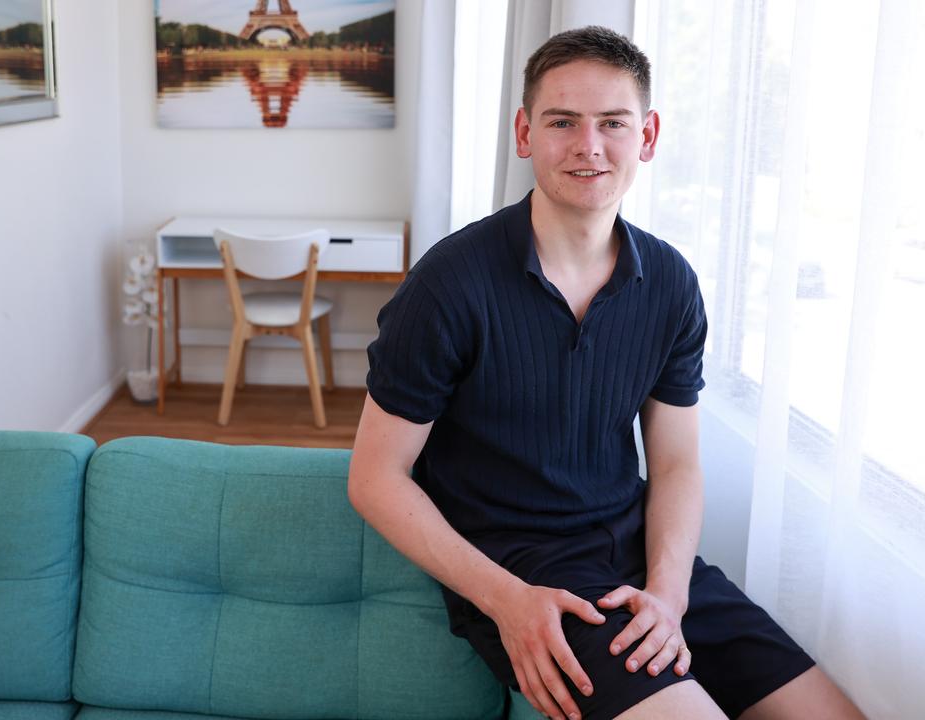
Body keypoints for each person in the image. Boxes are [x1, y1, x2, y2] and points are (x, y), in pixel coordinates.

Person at [348, 25, 866, 720]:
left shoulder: (672, 283)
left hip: (641, 558)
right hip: (527, 575)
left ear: (646, 136)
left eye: (612, 124)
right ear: (525, 132)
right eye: (562, 121)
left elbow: (676, 465)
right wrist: (503, 601)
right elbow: (375, 477)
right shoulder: (448, 283)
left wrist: (670, 595)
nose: (589, 146)